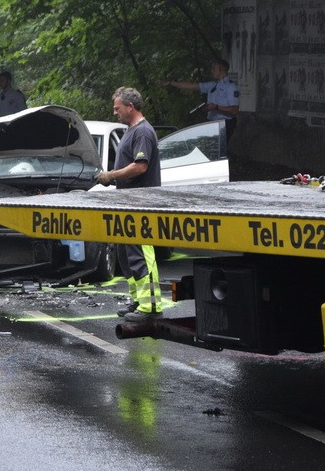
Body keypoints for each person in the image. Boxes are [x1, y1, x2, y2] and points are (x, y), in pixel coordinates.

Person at [94, 86, 164, 323]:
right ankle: (138, 301)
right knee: (126, 255)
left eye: (117, 108)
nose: (115, 112)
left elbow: (141, 166)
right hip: (128, 202)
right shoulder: (130, 131)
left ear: (130, 106)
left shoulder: (142, 132)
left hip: (141, 204)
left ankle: (151, 306)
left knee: (141, 254)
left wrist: (112, 175)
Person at [165, 58, 239, 138]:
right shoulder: (213, 85)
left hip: (225, 124)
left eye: (214, 69)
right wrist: (171, 83)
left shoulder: (231, 87)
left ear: (221, 69)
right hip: (212, 123)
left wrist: (216, 107)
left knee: (220, 149)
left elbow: (234, 110)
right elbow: (191, 86)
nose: (211, 71)